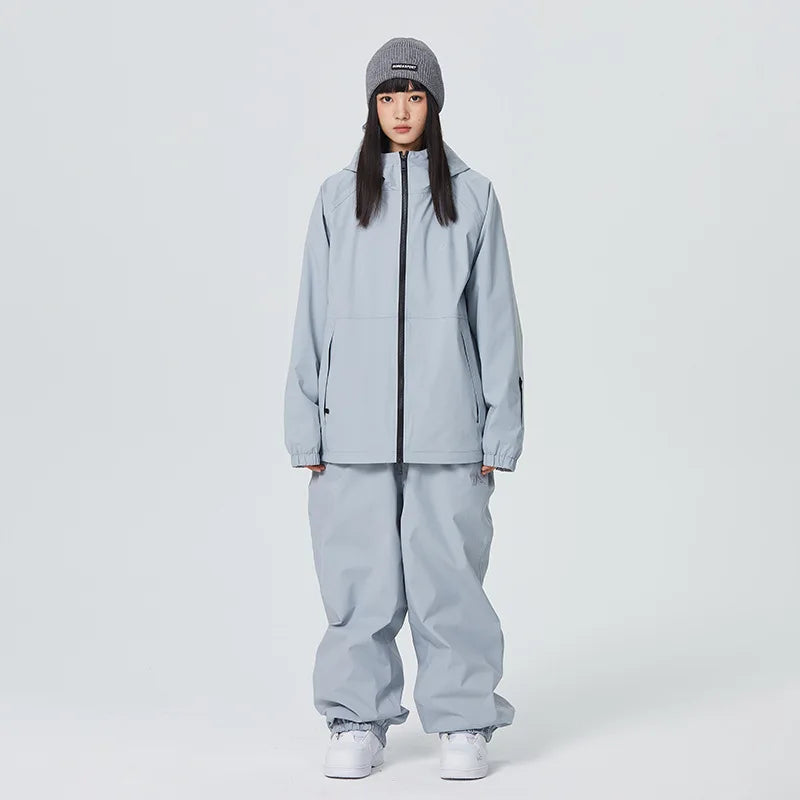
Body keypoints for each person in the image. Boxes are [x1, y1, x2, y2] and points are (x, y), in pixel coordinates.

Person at [283, 36, 524, 781]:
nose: (401, 110)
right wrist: (305, 425)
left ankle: (463, 719)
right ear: (372, 106)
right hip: (349, 432)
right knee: (358, 584)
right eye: (388, 97)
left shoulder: (474, 196)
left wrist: (500, 428)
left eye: (414, 97)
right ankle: (356, 718)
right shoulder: (338, 196)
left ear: (434, 104)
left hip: (449, 429)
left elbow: (496, 318)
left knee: (450, 584)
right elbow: (312, 313)